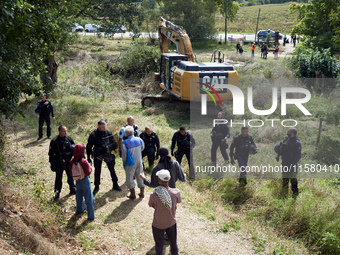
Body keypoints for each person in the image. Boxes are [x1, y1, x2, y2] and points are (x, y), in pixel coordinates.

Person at [148, 169, 181, 255]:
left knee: (159, 244)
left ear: (159, 180)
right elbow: (176, 204)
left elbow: (151, 205)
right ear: (169, 178)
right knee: (173, 243)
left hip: (158, 224)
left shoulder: (153, 195)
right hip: (171, 222)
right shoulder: (176, 192)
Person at [86, 120, 121, 195]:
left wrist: (115, 150)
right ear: (98, 126)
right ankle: (96, 186)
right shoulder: (93, 134)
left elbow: (113, 142)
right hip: (98, 154)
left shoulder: (108, 132)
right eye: (102, 127)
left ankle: (115, 184)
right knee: (97, 170)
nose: (103, 128)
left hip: (107, 153)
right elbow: (89, 146)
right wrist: (88, 157)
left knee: (112, 169)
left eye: (104, 127)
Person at [49, 125, 76, 201]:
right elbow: (51, 154)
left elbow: (74, 148)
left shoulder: (69, 138)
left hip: (68, 162)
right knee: (58, 179)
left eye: (66, 131)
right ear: (59, 131)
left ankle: (72, 189)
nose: (65, 132)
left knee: (70, 176)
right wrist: (52, 163)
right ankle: (57, 194)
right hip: (59, 163)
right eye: (64, 131)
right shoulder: (54, 141)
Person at [69, 143, 95, 221]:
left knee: (79, 197)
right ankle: (91, 216)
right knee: (89, 199)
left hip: (77, 181)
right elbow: (88, 172)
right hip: (85, 181)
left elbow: (70, 171)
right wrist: (90, 168)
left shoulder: (72, 161)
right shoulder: (84, 161)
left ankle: (79, 210)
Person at [275, 128, 301, 197]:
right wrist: (278, 155)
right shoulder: (286, 139)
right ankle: (284, 194)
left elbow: (298, 155)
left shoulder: (296, 143)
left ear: (293, 133)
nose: (288, 132)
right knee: (285, 179)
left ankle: (295, 194)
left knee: (293, 180)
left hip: (292, 164)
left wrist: (293, 163)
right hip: (285, 163)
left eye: (289, 131)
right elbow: (282, 148)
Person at [122, 125, 145, 199]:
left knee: (129, 178)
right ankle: (142, 193)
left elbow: (124, 155)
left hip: (130, 162)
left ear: (125, 134)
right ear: (133, 132)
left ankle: (133, 194)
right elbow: (142, 148)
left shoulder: (125, 142)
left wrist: (124, 162)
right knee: (140, 176)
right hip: (139, 160)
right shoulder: (139, 139)